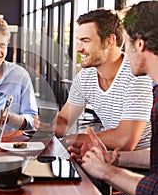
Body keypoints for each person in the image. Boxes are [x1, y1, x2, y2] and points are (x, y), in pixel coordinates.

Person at [69, 2, 158, 195]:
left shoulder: (140, 81)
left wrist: (107, 170)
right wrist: (113, 159)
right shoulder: (156, 90)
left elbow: (155, 189)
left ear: (139, 44)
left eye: (125, 42)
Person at [35, 9, 153, 151]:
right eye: (79, 41)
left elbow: (125, 140)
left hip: (145, 162)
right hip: (109, 156)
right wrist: (49, 125)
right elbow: (64, 122)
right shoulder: (85, 77)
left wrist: (73, 139)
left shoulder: (137, 75)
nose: (78, 49)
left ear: (110, 41)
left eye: (86, 41)